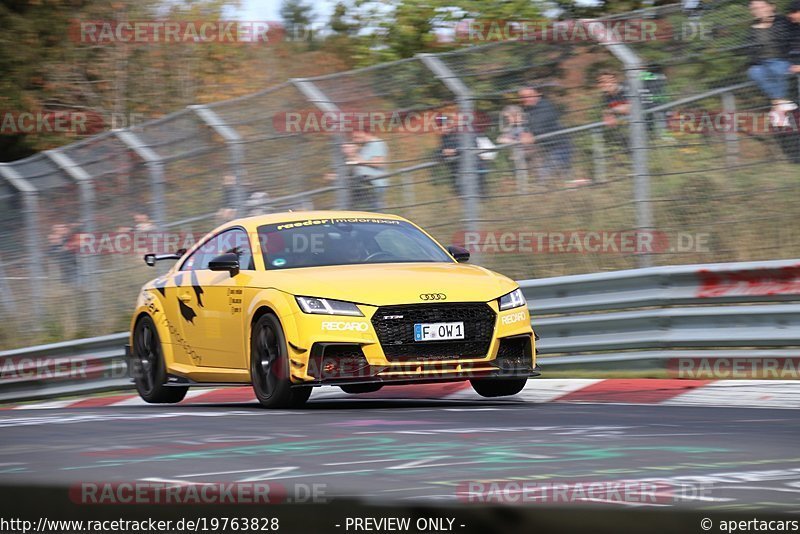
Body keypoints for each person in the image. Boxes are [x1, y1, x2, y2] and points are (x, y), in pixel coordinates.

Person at [745, 0, 796, 125]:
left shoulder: (784, 22)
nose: (758, 10)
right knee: (754, 72)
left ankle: (777, 105)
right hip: (762, 63)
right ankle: (780, 103)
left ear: (771, 7)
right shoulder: (752, 29)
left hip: (783, 60)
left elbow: (793, 42)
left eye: (761, 7)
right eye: (754, 8)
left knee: (776, 68)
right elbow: (750, 52)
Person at [517, 85, 574, 184]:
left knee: (546, 176)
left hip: (560, 146)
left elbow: (539, 125)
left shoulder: (546, 106)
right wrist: (525, 133)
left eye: (529, 95)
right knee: (559, 179)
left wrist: (530, 133)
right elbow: (524, 125)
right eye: (523, 97)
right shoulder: (527, 110)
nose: (526, 99)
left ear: (537, 94)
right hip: (547, 149)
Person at [348, 128, 389, 210]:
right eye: (354, 138)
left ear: (365, 132)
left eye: (356, 137)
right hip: (364, 185)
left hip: (373, 184)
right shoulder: (365, 148)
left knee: (374, 211)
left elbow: (379, 163)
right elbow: (358, 165)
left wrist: (361, 161)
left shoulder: (376, 143)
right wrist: (352, 153)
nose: (355, 140)